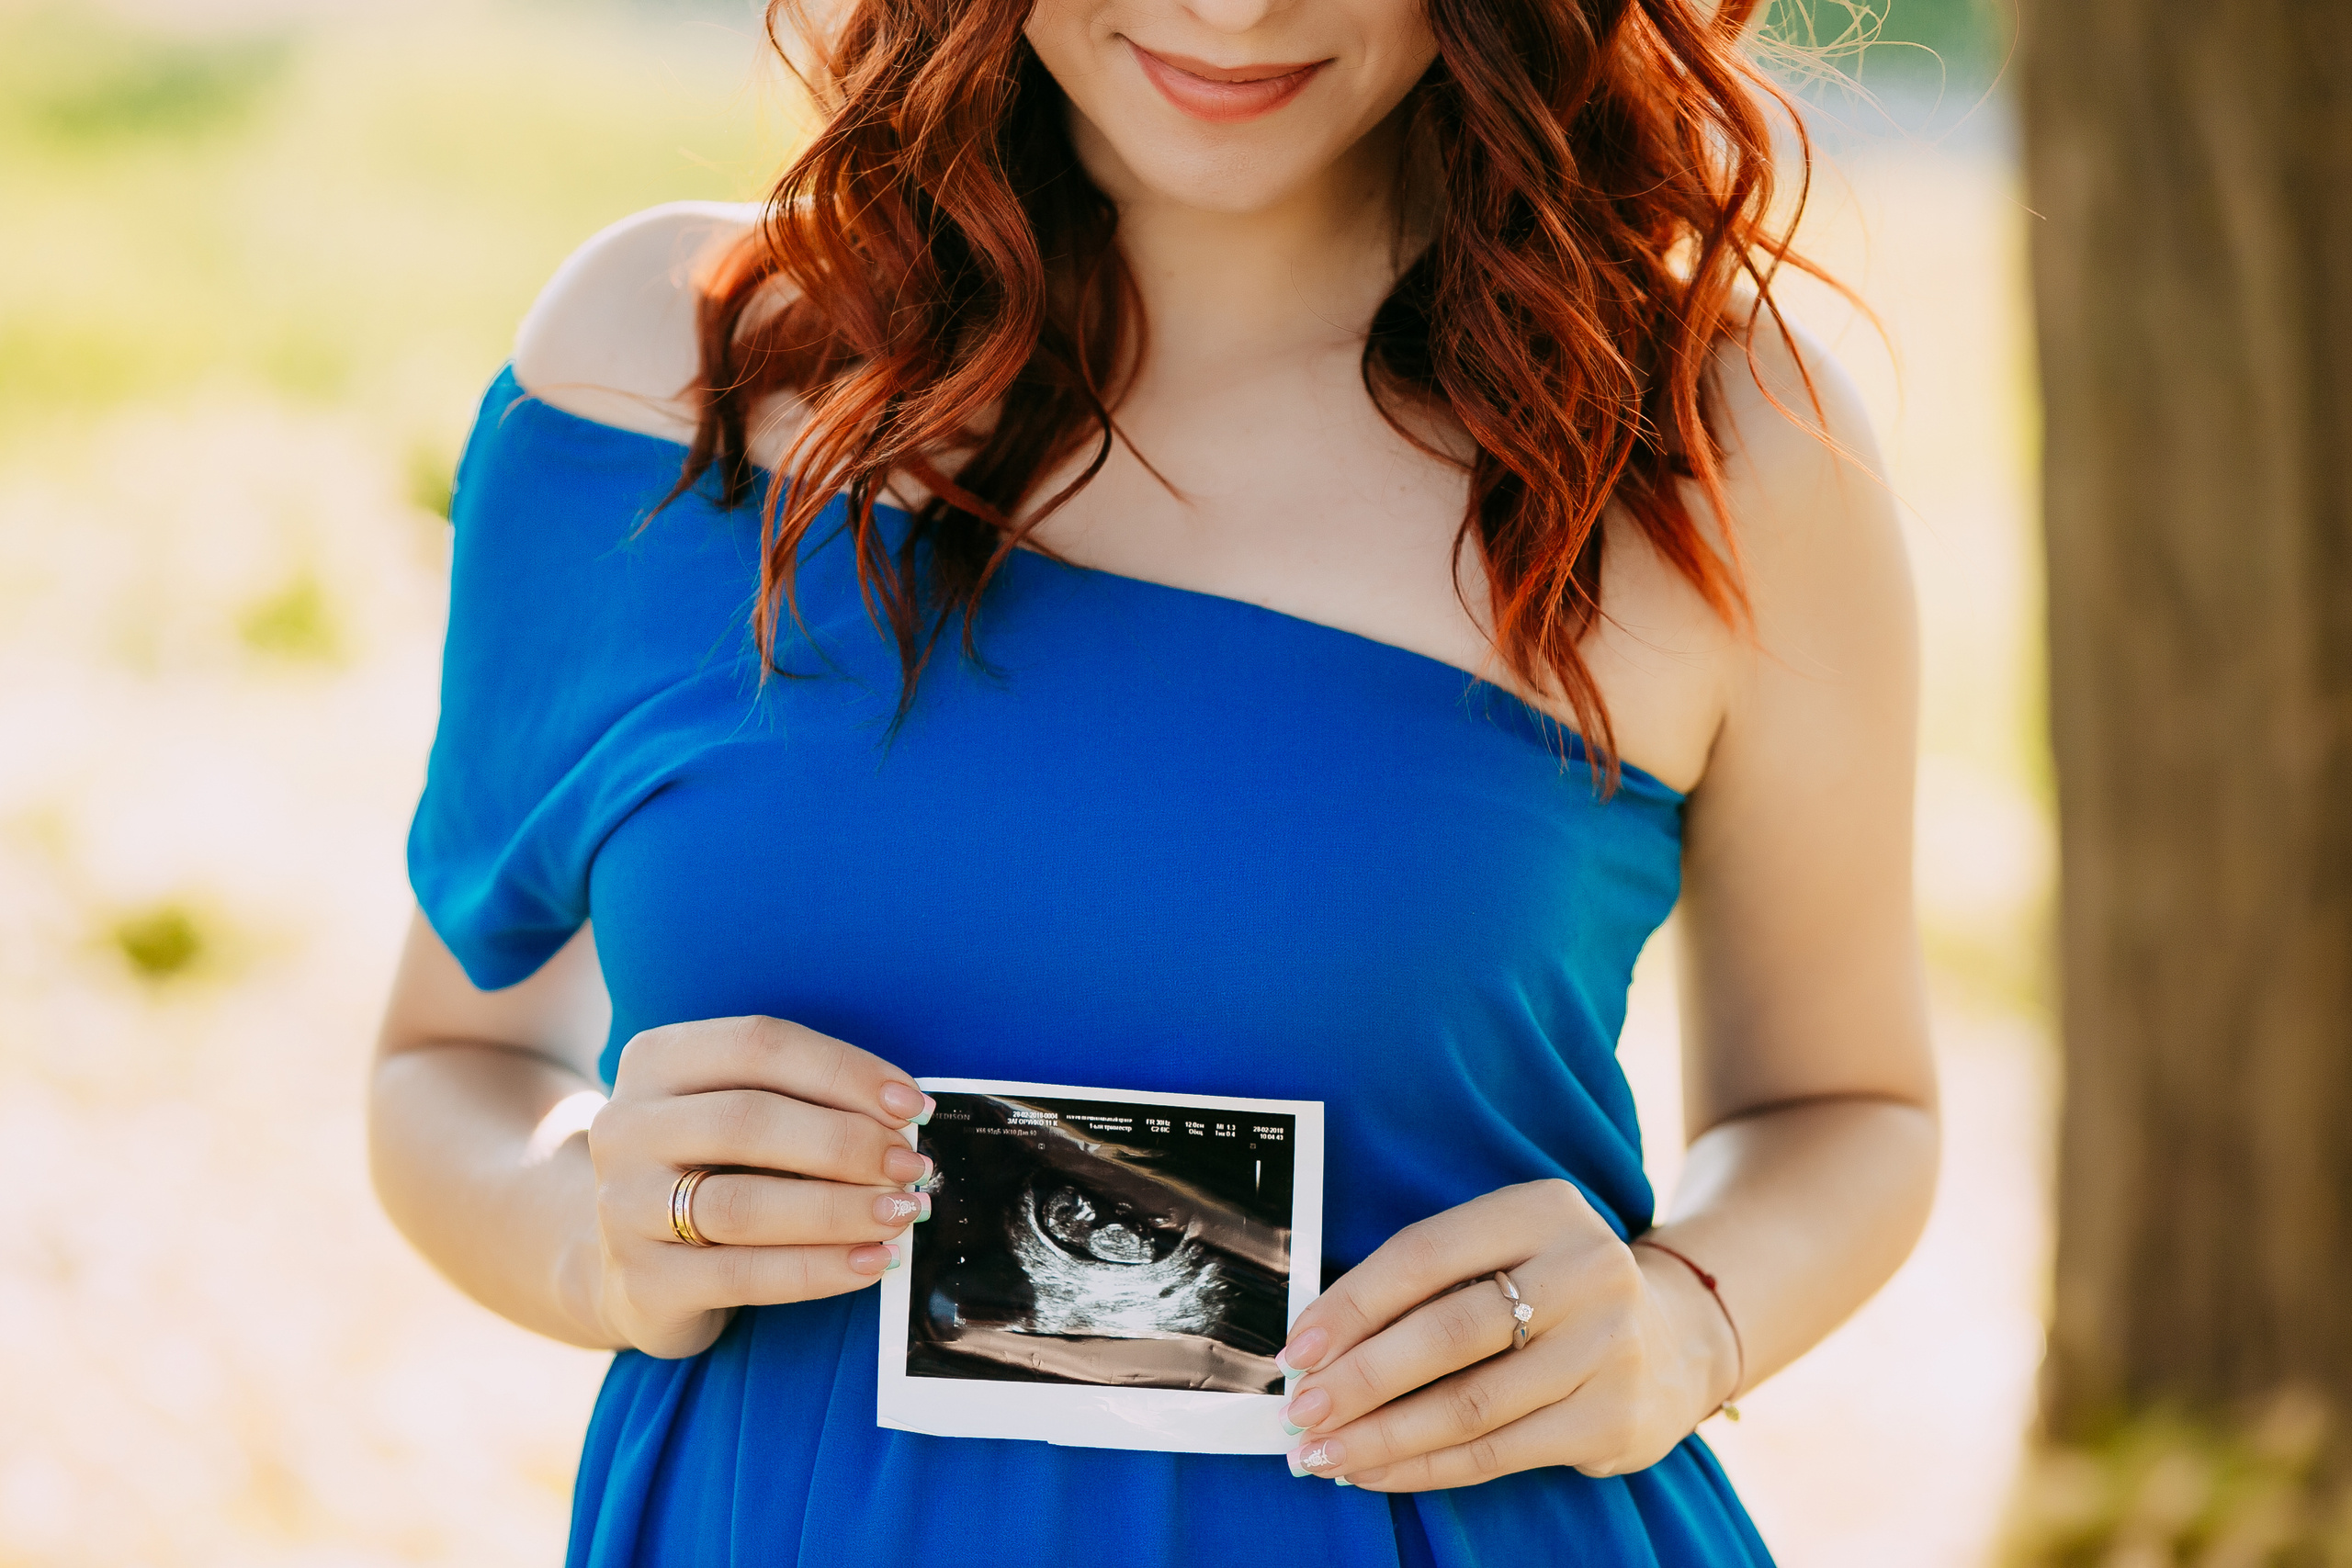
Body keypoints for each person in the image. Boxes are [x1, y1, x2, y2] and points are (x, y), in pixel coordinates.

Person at [368, 0, 1938, 1558]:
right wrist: (587, 1235)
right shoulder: (658, 375)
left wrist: (1688, 1321)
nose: (1236, 10)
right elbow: (450, 1064)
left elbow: (1847, 1104)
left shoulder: (1718, 445)